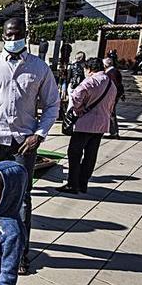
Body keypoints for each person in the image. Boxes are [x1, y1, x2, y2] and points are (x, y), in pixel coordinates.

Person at [0, 17, 59, 276]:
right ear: (2, 36)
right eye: (8, 34)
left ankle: (20, 255)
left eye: (17, 33)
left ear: (25, 35)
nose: (12, 38)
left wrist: (39, 134)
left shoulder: (39, 68)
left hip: (22, 145)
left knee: (22, 200)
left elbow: (52, 105)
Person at [59, 58, 117, 194]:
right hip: (101, 124)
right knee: (91, 154)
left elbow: (76, 95)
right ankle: (83, 183)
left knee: (74, 153)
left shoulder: (91, 81)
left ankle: (73, 184)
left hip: (85, 123)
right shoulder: (110, 83)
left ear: (89, 69)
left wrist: (77, 108)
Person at [103, 57, 125, 138]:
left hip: (113, 95)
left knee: (111, 113)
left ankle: (114, 132)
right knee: (111, 112)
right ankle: (113, 131)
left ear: (105, 65)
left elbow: (114, 85)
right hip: (116, 94)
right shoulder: (115, 71)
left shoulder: (110, 73)